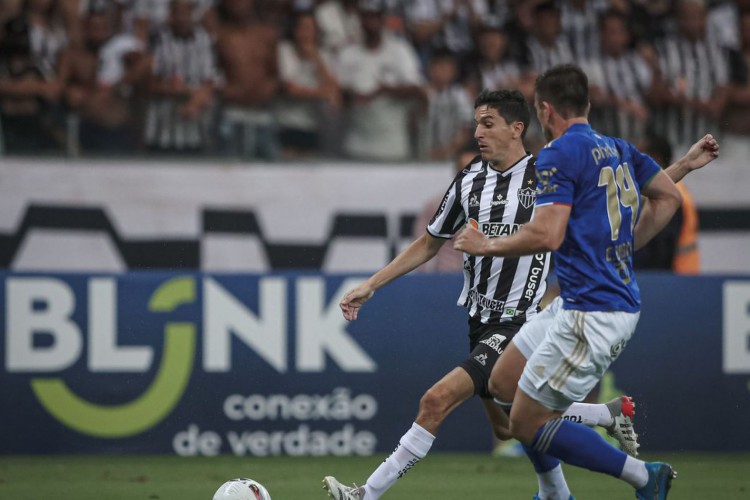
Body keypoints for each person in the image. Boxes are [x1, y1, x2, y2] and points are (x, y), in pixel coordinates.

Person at [323, 88, 640, 500]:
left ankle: (365, 494)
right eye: (476, 123)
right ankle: (600, 421)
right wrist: (371, 285)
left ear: (517, 128)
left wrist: (681, 168)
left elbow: (620, 192)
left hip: (519, 320)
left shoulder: (547, 172)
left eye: (487, 123)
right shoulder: (471, 177)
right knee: (509, 426)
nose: (477, 132)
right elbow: (430, 242)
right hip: (480, 321)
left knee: (435, 400)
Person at [454, 64, 719, 500]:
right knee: (502, 385)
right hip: (579, 302)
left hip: (592, 313)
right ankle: (558, 488)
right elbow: (665, 196)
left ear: (544, 108)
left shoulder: (558, 153)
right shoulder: (616, 148)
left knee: (523, 424)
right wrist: (685, 167)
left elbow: (548, 234)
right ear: (588, 105)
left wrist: (486, 246)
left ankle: (642, 476)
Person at [635, 132, 701, 273]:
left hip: (674, 277)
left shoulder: (669, 195)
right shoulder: (672, 190)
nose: (635, 161)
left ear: (655, 159)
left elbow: (661, 249)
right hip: (679, 276)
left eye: (640, 154)